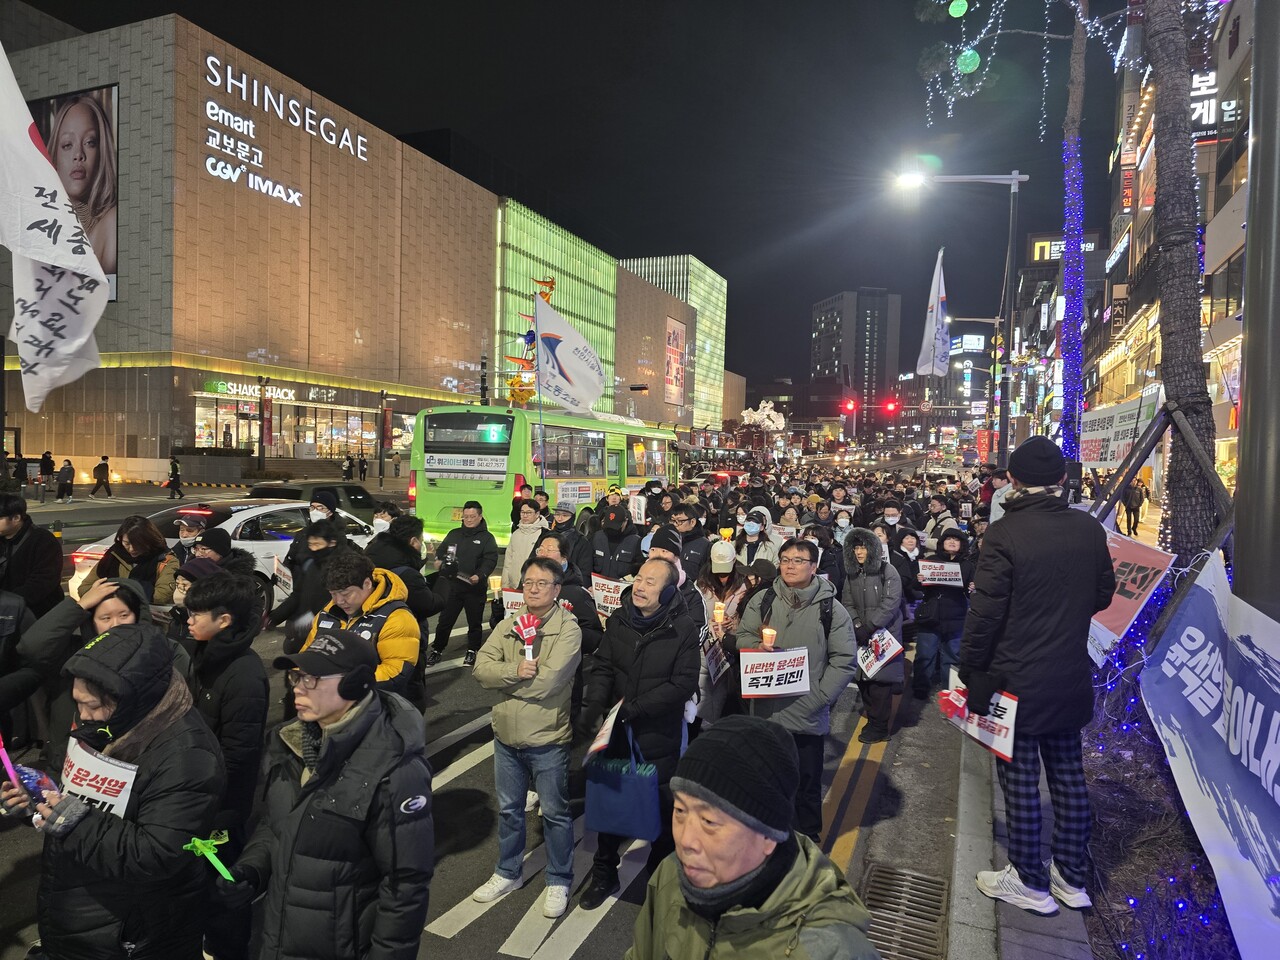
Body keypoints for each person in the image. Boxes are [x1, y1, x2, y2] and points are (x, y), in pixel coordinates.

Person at [1, 623, 224, 960]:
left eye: (92, 706)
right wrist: (36, 796)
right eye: (78, 702)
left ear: (134, 699)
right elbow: (68, 778)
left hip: (131, 933)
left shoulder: (189, 756)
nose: (83, 715)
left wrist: (75, 822)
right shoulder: (109, 722)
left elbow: (157, 854)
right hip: (78, 908)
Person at [962, 436, 1115, 914]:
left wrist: (970, 669)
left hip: (1016, 678)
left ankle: (1028, 880)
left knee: (1021, 779)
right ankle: (1071, 876)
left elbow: (985, 615)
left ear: (1012, 480)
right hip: (1068, 673)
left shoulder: (1005, 534)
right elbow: (1103, 594)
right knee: (1069, 776)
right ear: (1062, 481)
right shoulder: (1088, 530)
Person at [219, 630, 434, 960]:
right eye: (296, 676)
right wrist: (251, 871)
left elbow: (405, 886)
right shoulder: (291, 744)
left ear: (356, 684)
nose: (298, 688)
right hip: (279, 940)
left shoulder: (393, 767)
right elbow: (279, 825)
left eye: (313, 678)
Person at [624, 715, 881, 960]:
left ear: (768, 836)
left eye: (709, 821)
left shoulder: (833, 950)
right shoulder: (670, 874)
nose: (685, 841)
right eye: (680, 810)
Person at [576, 558, 700, 910]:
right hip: (616, 730)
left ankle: (660, 884)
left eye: (651, 582)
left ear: (669, 590)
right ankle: (604, 873)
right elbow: (603, 666)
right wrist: (594, 706)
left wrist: (636, 708)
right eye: (640, 579)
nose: (641, 587)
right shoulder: (618, 619)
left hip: (658, 735)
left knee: (662, 813)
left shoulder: (683, 628)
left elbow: (682, 684)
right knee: (613, 805)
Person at [471, 557, 582, 918]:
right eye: (528, 582)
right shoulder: (511, 623)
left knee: (554, 813)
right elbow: (480, 670)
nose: (533, 588)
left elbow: (550, 682)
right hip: (505, 736)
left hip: (547, 736)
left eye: (541, 583)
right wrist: (513, 671)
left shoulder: (568, 629)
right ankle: (508, 871)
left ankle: (559, 878)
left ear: (556, 589)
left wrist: (505, 685)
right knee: (509, 811)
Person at [732, 538, 856, 838]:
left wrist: (819, 699)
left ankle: (806, 843)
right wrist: (756, 646)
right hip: (764, 710)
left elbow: (844, 660)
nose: (790, 565)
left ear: (814, 567)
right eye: (785, 558)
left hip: (805, 714)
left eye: (798, 560)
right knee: (763, 780)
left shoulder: (831, 610)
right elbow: (742, 637)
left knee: (805, 786)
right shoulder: (764, 599)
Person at [181, 574, 269, 960]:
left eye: (196, 614)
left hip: (222, 806)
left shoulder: (244, 673)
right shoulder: (204, 654)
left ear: (225, 620)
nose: (188, 620)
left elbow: (239, 753)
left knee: (224, 892)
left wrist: (210, 803)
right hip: (196, 795)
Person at [302, 549, 420, 697]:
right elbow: (307, 655)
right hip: (328, 703)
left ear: (367, 583)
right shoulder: (327, 614)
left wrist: (340, 683)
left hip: (376, 706)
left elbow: (395, 672)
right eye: (333, 594)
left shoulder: (396, 618)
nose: (339, 601)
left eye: (346, 594)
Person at [48, 93, 118, 274]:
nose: (78, 154)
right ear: (54, 158)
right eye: (67, 144)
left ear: (102, 153)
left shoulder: (112, 224)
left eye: (89, 142)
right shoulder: (42, 229)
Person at [426, 500, 498, 667]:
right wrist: (439, 561)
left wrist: (480, 575)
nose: (469, 520)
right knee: (445, 621)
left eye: (472, 516)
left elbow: (490, 560)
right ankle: (437, 649)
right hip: (452, 586)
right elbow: (442, 551)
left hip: (474, 587)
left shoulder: (487, 538)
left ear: (480, 517)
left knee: (474, 622)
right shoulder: (454, 534)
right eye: (466, 517)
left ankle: (472, 650)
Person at [912, 528, 974, 700]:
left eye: (956, 539)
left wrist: (972, 588)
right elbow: (916, 587)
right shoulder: (931, 561)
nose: (952, 542)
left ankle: (950, 690)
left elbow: (972, 592)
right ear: (942, 543)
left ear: (962, 544)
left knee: (953, 656)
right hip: (930, 615)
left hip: (956, 616)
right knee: (925, 654)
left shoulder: (968, 565)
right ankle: (920, 687)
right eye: (948, 539)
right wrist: (918, 580)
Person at [693, 539, 748, 725]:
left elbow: (748, 621)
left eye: (726, 570)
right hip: (706, 651)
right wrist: (707, 624)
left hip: (730, 650)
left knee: (729, 701)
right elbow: (694, 616)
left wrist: (733, 624)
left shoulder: (744, 587)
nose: (722, 576)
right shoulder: (700, 585)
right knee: (704, 697)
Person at [268, 519, 340, 646]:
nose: (313, 548)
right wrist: (274, 617)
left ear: (331, 543)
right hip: (303, 632)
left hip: (327, 635)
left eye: (317, 544)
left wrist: (314, 620)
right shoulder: (312, 564)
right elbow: (297, 594)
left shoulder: (343, 568)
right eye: (310, 544)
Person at [82, 515, 176, 603]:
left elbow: (161, 596)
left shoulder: (166, 559)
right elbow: (84, 588)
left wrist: (114, 589)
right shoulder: (114, 554)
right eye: (126, 543)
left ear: (149, 541)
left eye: (138, 544)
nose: (132, 549)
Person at [0, 494, 63, 617]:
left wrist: (9, 602)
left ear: (16, 518)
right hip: (5, 612)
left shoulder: (43, 540)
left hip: (38, 614)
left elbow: (42, 582)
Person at [591, 505, 644, 580]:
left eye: (615, 527)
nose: (612, 530)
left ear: (625, 521)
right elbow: (587, 566)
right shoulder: (597, 537)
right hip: (597, 588)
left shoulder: (636, 542)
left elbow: (640, 570)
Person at [190, 527, 257, 577]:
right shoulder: (192, 569)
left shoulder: (236, 579)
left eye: (203, 549)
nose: (198, 554)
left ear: (220, 552)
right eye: (196, 549)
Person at [549, 500, 593, 575]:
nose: (559, 519)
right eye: (557, 514)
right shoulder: (547, 536)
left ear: (573, 517)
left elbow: (585, 571)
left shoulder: (581, 541)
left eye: (565, 515)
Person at [668, 502, 712, 576]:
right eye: (673, 521)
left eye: (680, 521)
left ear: (692, 522)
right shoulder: (667, 540)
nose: (675, 524)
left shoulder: (705, 545)